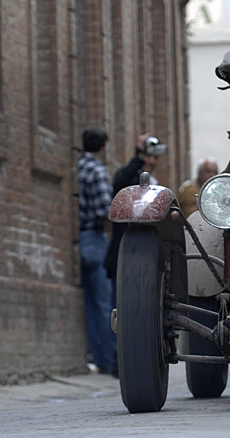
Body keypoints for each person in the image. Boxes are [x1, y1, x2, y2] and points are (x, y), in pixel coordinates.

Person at [77, 126, 117, 376]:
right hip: (95, 237)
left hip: (79, 237)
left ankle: (97, 356)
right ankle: (111, 361)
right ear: (103, 146)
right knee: (105, 303)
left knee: (90, 305)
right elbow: (105, 208)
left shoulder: (78, 167)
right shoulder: (97, 170)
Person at [104, 133, 165, 293]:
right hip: (124, 250)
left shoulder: (155, 183)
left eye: (155, 157)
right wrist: (138, 154)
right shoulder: (129, 177)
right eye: (147, 156)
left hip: (145, 253)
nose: (152, 161)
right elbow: (119, 183)